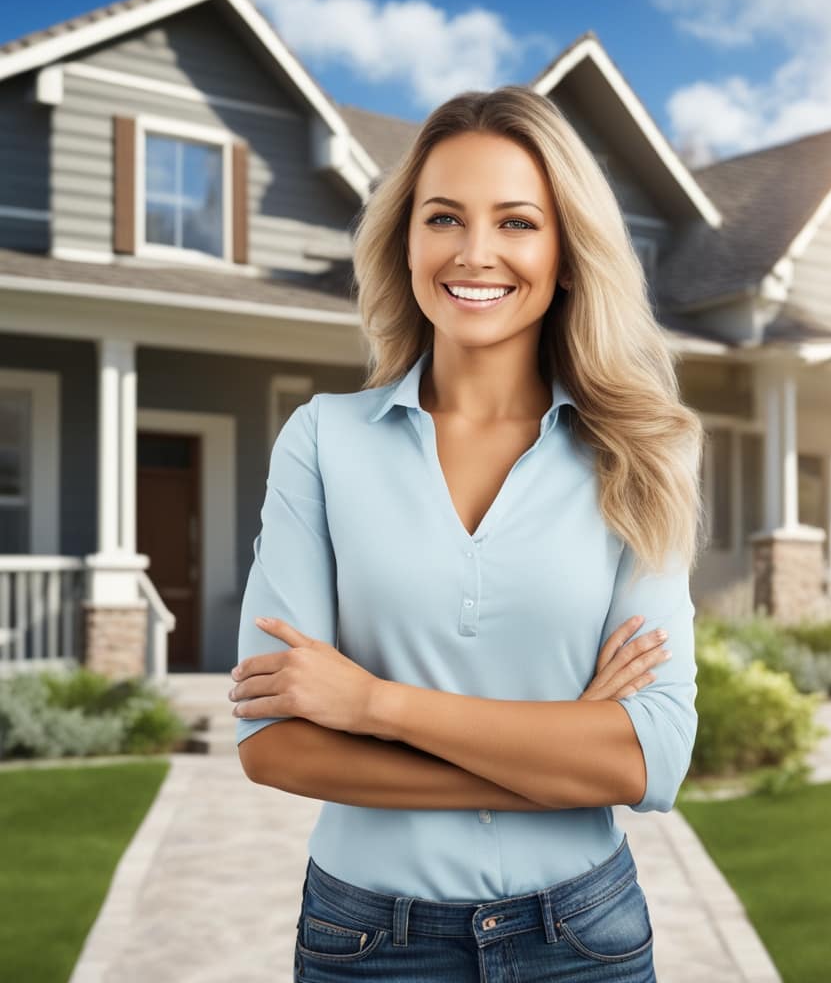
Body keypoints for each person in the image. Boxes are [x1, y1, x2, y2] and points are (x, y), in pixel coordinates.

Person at [230, 84, 705, 982]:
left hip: (584, 937)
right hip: (367, 941)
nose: (474, 253)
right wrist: (560, 752)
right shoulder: (323, 441)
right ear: (406, 239)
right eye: (443, 217)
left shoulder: (645, 454)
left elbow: (653, 755)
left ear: (567, 253)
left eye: (517, 222)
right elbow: (274, 742)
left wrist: (374, 706)